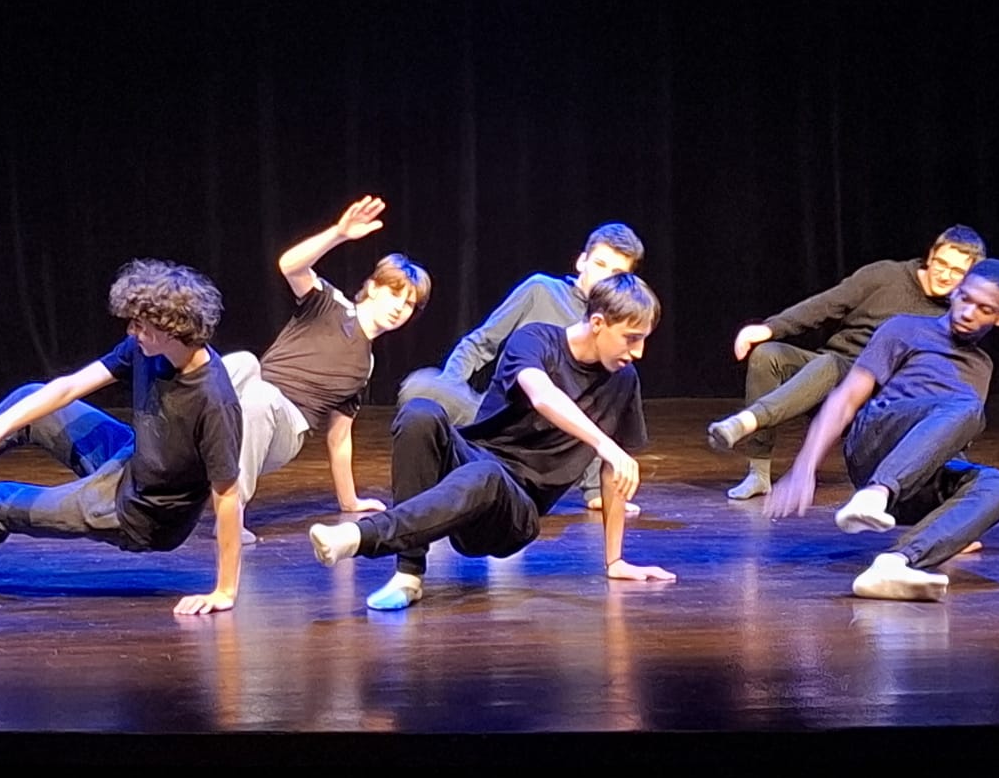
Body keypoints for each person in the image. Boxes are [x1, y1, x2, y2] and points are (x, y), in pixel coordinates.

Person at [0, 259, 246, 614]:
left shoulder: (214, 402)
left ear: (172, 330)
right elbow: (69, 387)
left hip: (143, 512)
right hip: (134, 459)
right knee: (34, 397)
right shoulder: (147, 350)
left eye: (140, 326)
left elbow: (228, 495)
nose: (132, 332)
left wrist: (224, 591)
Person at [309, 273, 676, 610]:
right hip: (473, 468)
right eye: (632, 338)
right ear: (598, 323)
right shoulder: (536, 341)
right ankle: (409, 574)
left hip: (515, 513)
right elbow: (542, 395)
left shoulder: (624, 381)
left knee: (487, 475)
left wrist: (615, 560)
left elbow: (613, 473)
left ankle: (360, 536)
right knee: (421, 413)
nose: (638, 352)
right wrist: (603, 443)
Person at [765, 259, 999, 603]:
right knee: (966, 407)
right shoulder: (905, 328)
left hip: (913, 479)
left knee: (996, 484)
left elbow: (950, 435)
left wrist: (958, 524)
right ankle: (875, 493)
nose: (968, 312)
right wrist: (804, 466)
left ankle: (894, 563)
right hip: (875, 440)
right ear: (955, 292)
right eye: (965, 298)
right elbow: (846, 398)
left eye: (984, 309)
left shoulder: (981, 366)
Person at [709, 226, 987, 502]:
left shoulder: (955, 317)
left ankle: (746, 421)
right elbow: (827, 303)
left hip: (871, 400)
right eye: (941, 263)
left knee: (831, 364)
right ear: (931, 255)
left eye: (957, 272)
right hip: (823, 375)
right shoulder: (885, 275)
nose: (945, 275)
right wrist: (771, 327)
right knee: (769, 354)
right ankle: (758, 472)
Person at [218, 195, 430, 539]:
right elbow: (289, 265)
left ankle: (229, 516)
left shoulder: (365, 365)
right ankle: (177, 438)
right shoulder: (329, 304)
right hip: (240, 411)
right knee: (242, 363)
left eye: (408, 305)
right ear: (373, 288)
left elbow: (339, 436)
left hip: (282, 429)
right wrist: (339, 233)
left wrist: (350, 501)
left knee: (260, 396)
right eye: (395, 294)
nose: (399, 308)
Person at [397, 222, 644, 513]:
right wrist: (449, 385)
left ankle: (481, 479)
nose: (604, 277)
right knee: (421, 387)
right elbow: (481, 342)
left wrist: (594, 489)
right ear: (582, 262)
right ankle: (448, 467)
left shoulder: (613, 333)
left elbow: (601, 411)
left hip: (550, 444)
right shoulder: (541, 290)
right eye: (600, 264)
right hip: (498, 418)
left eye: (616, 273)